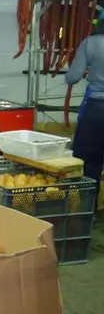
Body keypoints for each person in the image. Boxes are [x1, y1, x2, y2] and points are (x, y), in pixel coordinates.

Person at [66, 17, 104, 207]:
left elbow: (73, 76)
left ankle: (88, 210)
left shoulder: (91, 43)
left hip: (97, 108)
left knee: (89, 162)